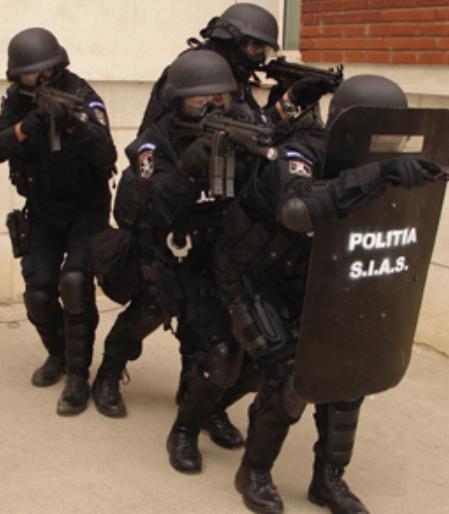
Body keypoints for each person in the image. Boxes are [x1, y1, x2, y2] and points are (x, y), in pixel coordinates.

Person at [209, 75, 444, 514]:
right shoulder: (301, 152)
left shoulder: (390, 162)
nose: (385, 144)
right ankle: (254, 471)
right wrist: (375, 175)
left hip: (318, 276)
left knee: (347, 371)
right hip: (256, 274)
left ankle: (328, 479)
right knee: (288, 372)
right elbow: (297, 210)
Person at [91, 50, 263, 469]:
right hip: (167, 253)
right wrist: (186, 171)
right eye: (200, 99)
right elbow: (145, 209)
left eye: (220, 97)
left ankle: (198, 413)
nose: (212, 106)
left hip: (217, 258)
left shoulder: (237, 131)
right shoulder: (154, 143)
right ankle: (108, 373)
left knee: (216, 350)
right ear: (178, 99)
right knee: (142, 319)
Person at [0, 27, 117, 415]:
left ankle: (79, 377)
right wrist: (25, 128)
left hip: (86, 208)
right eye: (31, 74)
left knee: (75, 283)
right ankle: (59, 354)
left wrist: (75, 127)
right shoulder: (16, 101)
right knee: (38, 292)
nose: (41, 79)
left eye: (47, 71)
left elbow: (107, 156)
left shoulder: (82, 96)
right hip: (43, 209)